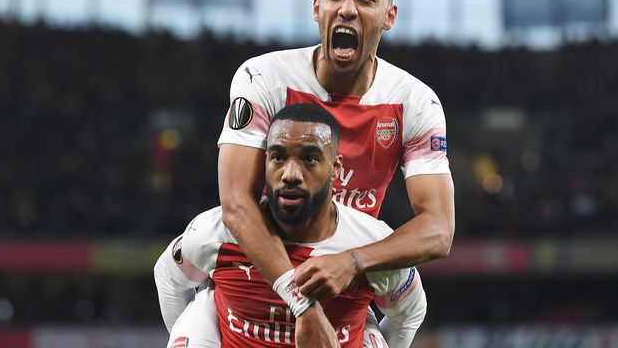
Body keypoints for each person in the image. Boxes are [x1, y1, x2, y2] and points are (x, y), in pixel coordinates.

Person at [156, 0, 454, 347]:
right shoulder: (265, 79)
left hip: (343, 277)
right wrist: (301, 301)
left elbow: (439, 229)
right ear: (318, 8)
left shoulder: (414, 102)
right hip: (258, 269)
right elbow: (237, 204)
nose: (347, 8)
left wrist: (351, 262)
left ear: (389, 16)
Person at [156, 104, 427, 348]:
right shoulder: (217, 233)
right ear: (265, 163)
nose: (290, 174)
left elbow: (410, 312)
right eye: (278, 157)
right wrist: (190, 331)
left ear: (335, 168)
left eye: (309, 159)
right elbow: (168, 276)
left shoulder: (373, 243)